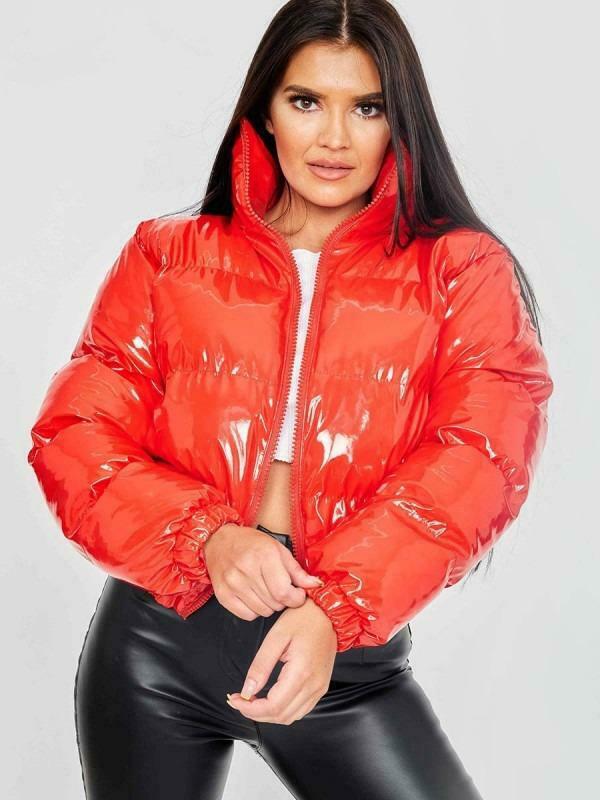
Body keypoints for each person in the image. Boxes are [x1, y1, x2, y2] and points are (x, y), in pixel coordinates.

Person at [26, 1, 554, 798]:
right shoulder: (167, 257)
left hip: (341, 663)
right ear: (266, 112)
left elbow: (480, 458)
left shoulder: (461, 271)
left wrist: (335, 611)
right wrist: (205, 537)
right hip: (155, 649)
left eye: (367, 108)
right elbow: (75, 434)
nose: (334, 137)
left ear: (399, 121)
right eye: (306, 101)